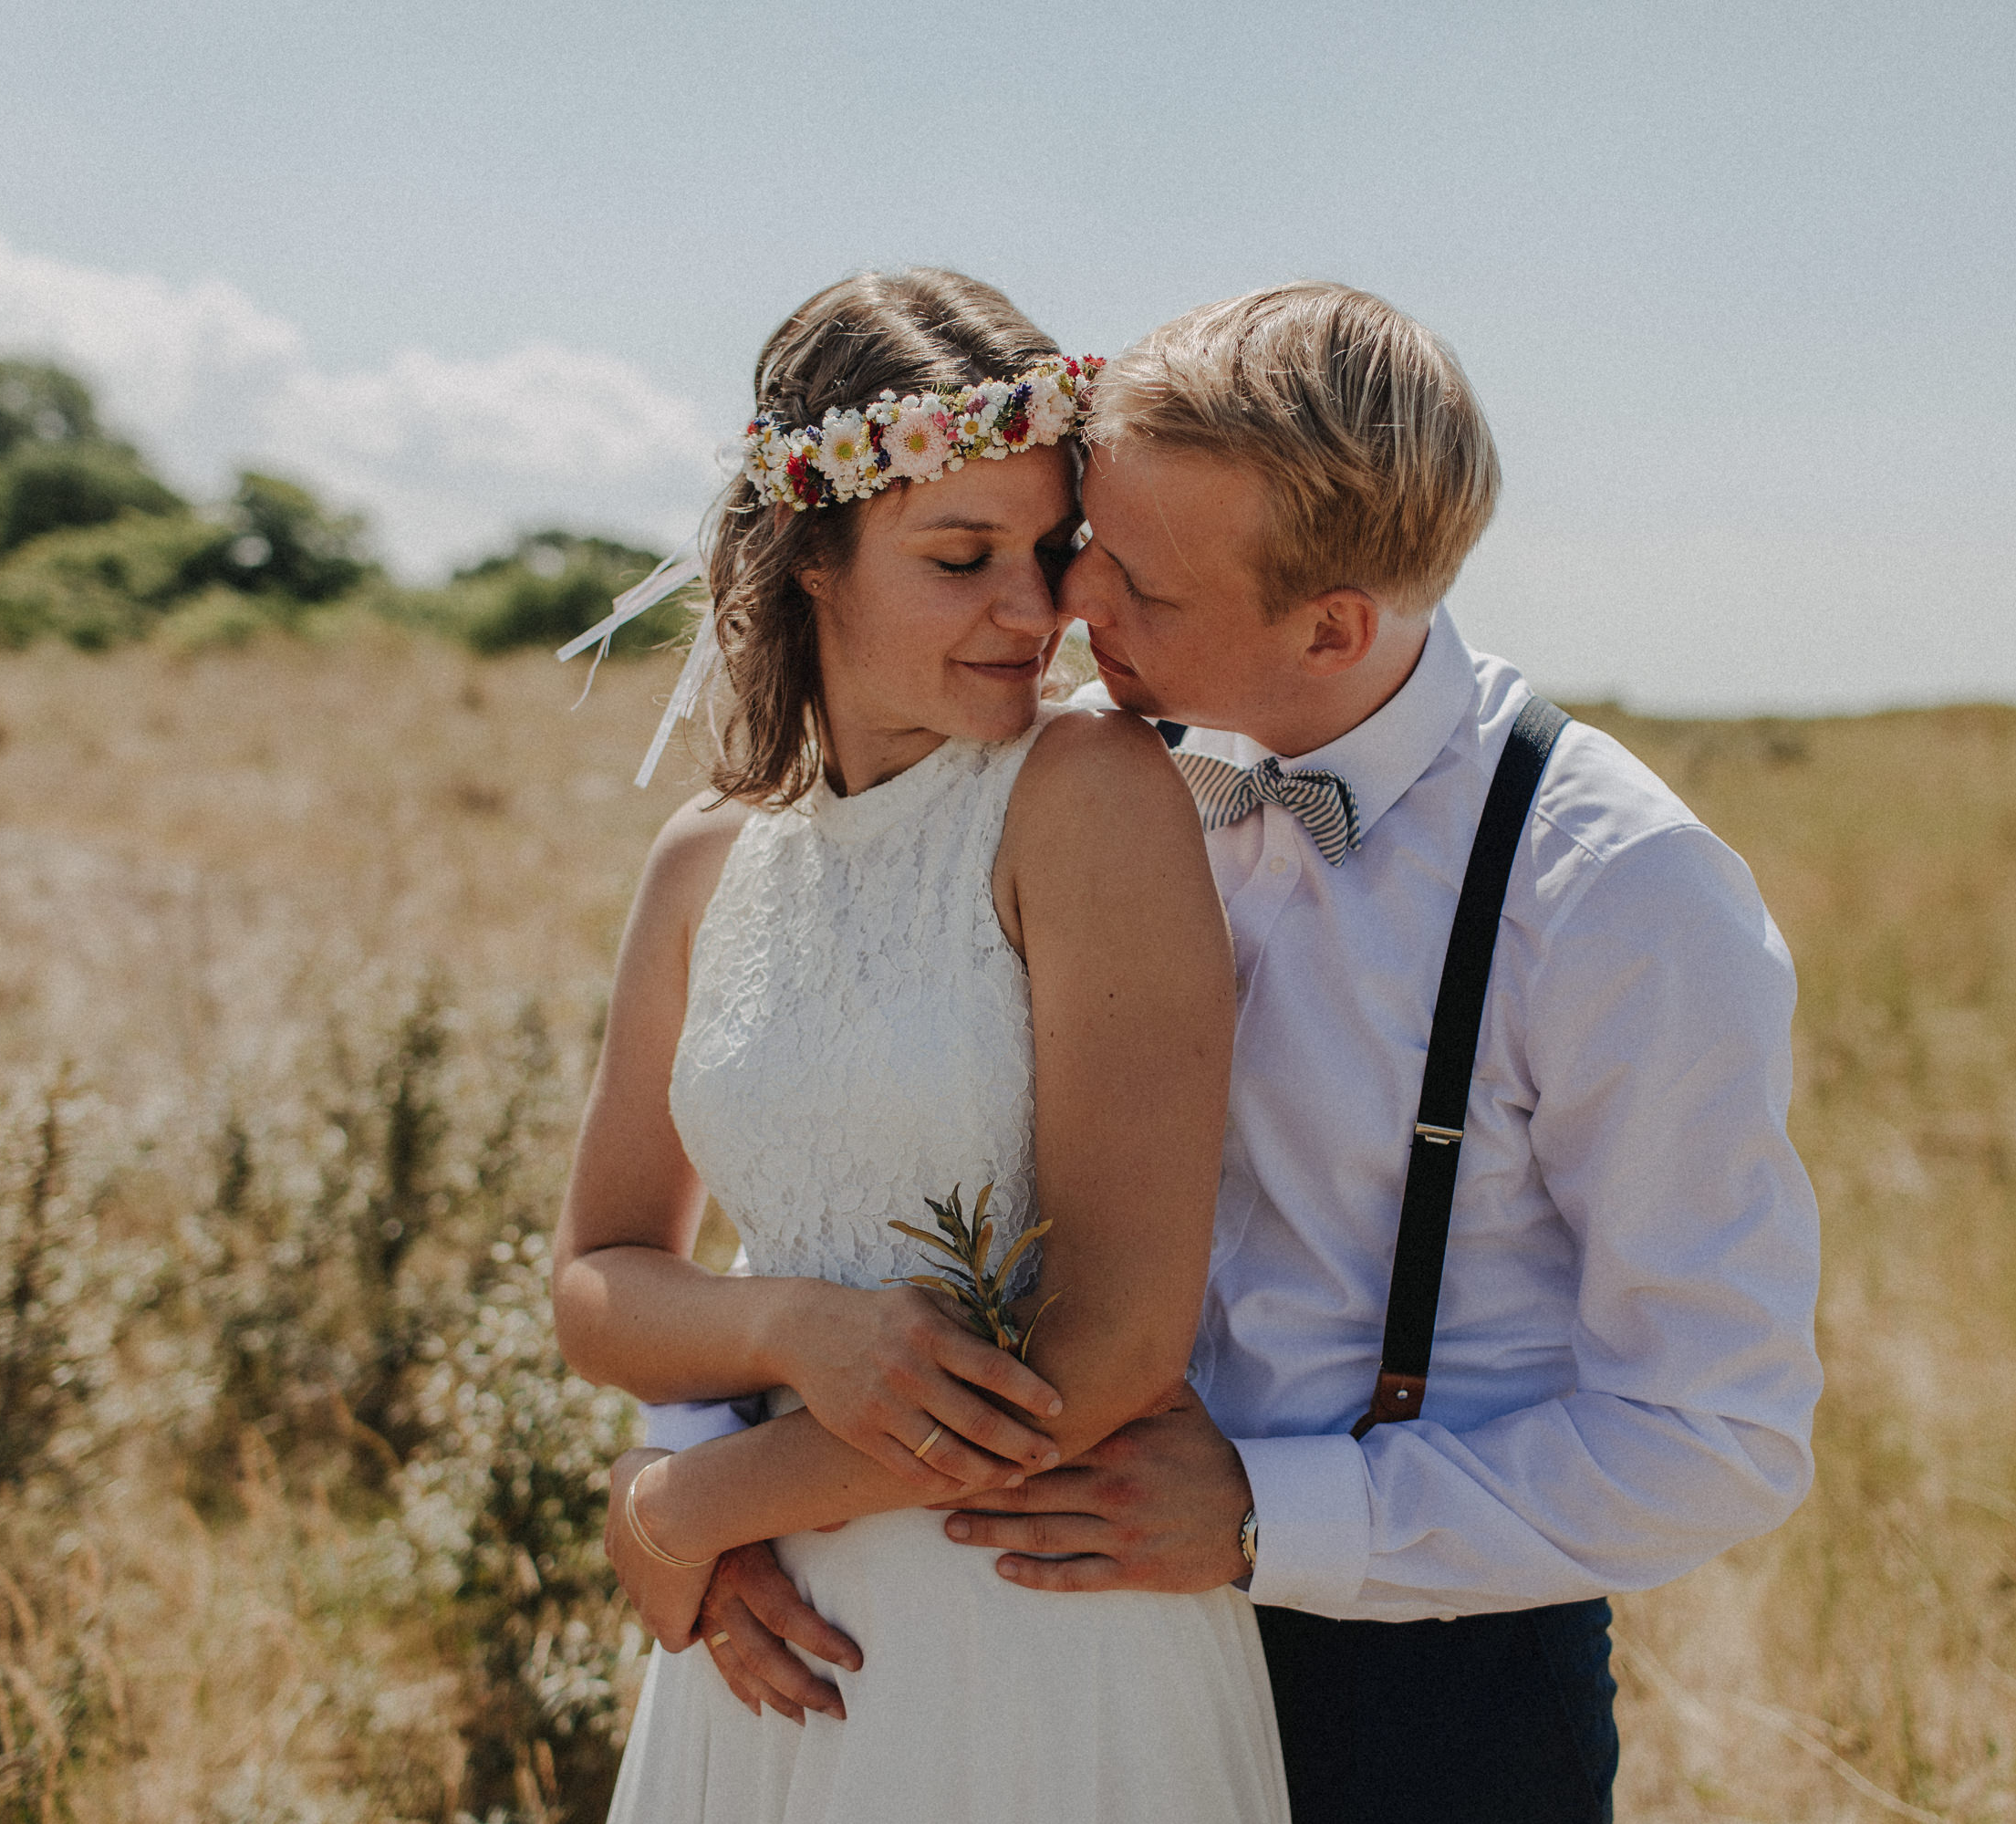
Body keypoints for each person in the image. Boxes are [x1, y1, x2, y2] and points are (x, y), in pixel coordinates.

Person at [661, 281, 1824, 1824]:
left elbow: (1717, 1435)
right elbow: (821, 1106)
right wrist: (702, 1461)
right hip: (1024, 1633)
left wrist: (1282, 1519)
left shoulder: (1616, 892)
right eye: (1083, 545)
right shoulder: (1072, 767)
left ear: (1332, 624)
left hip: (1421, 1685)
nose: (1070, 610)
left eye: (1133, 581)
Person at [551, 269, 1289, 1824]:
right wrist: (785, 1332)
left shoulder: (1088, 792)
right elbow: (603, 1275)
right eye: (962, 558)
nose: (1036, 614)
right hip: (767, 1649)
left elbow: (1113, 1345)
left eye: (1049, 552)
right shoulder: (706, 857)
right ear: (810, 557)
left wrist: (685, 1506)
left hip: (1033, 1638)